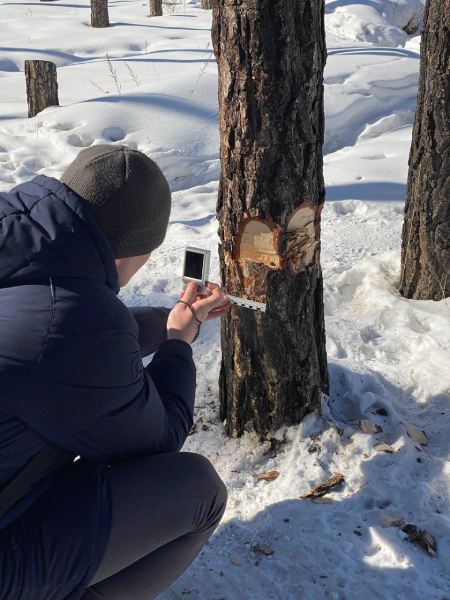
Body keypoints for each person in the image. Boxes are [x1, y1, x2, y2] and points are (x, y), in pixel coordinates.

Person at [0, 144, 229, 600]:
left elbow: (71, 339)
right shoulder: (69, 323)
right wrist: (177, 344)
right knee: (199, 491)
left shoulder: (21, 244)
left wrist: (168, 321)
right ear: (132, 249)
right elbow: (160, 434)